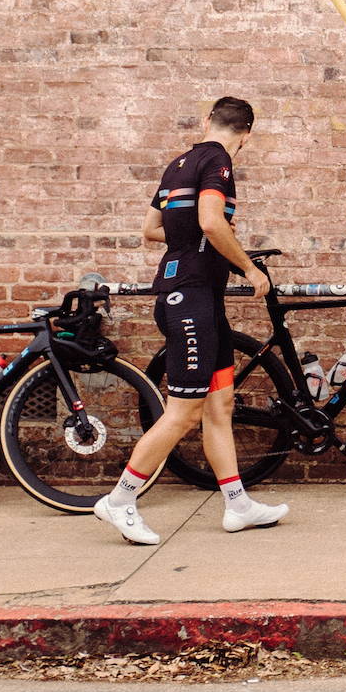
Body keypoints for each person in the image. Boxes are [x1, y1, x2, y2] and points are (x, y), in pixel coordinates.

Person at [94, 96, 289, 545]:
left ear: (207, 121)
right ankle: (120, 500)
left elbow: (151, 230)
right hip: (190, 301)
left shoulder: (178, 163)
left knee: (219, 406)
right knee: (183, 413)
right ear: (248, 136)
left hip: (197, 297)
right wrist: (250, 268)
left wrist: (196, 237)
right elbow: (211, 222)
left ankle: (238, 505)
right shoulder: (219, 162)